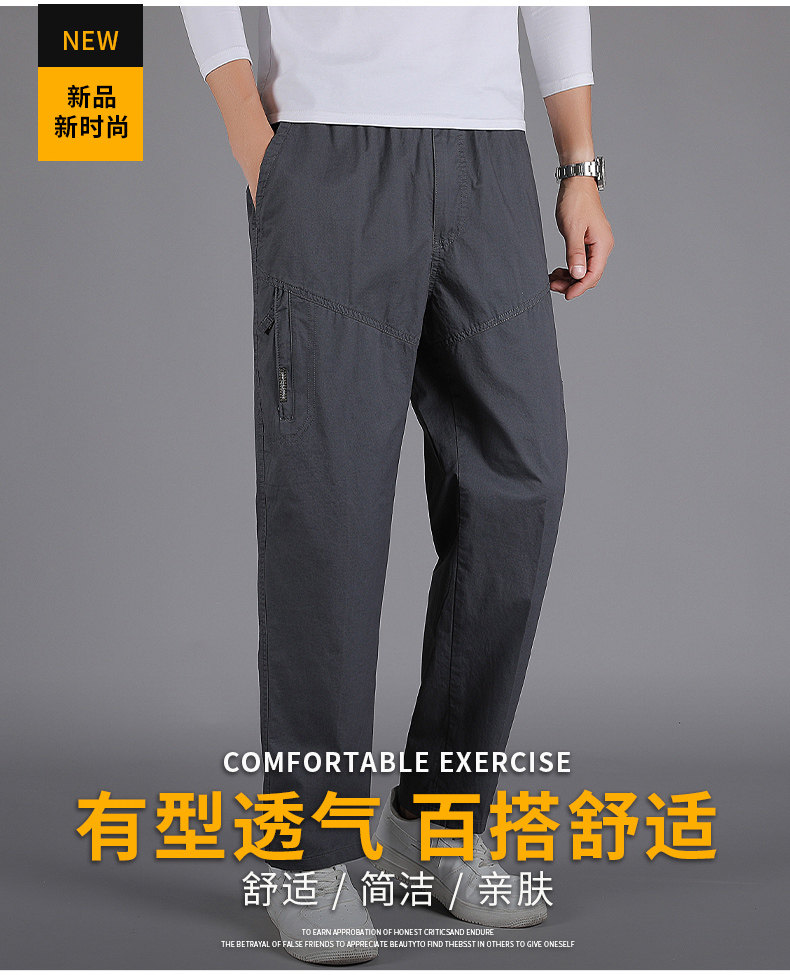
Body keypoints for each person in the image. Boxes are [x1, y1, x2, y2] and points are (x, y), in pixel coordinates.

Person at [181, 5, 613, 965]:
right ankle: (306, 853)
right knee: (327, 507)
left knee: (522, 480)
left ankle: (444, 820)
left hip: (488, 157)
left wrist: (578, 164)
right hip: (330, 149)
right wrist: (252, 137)